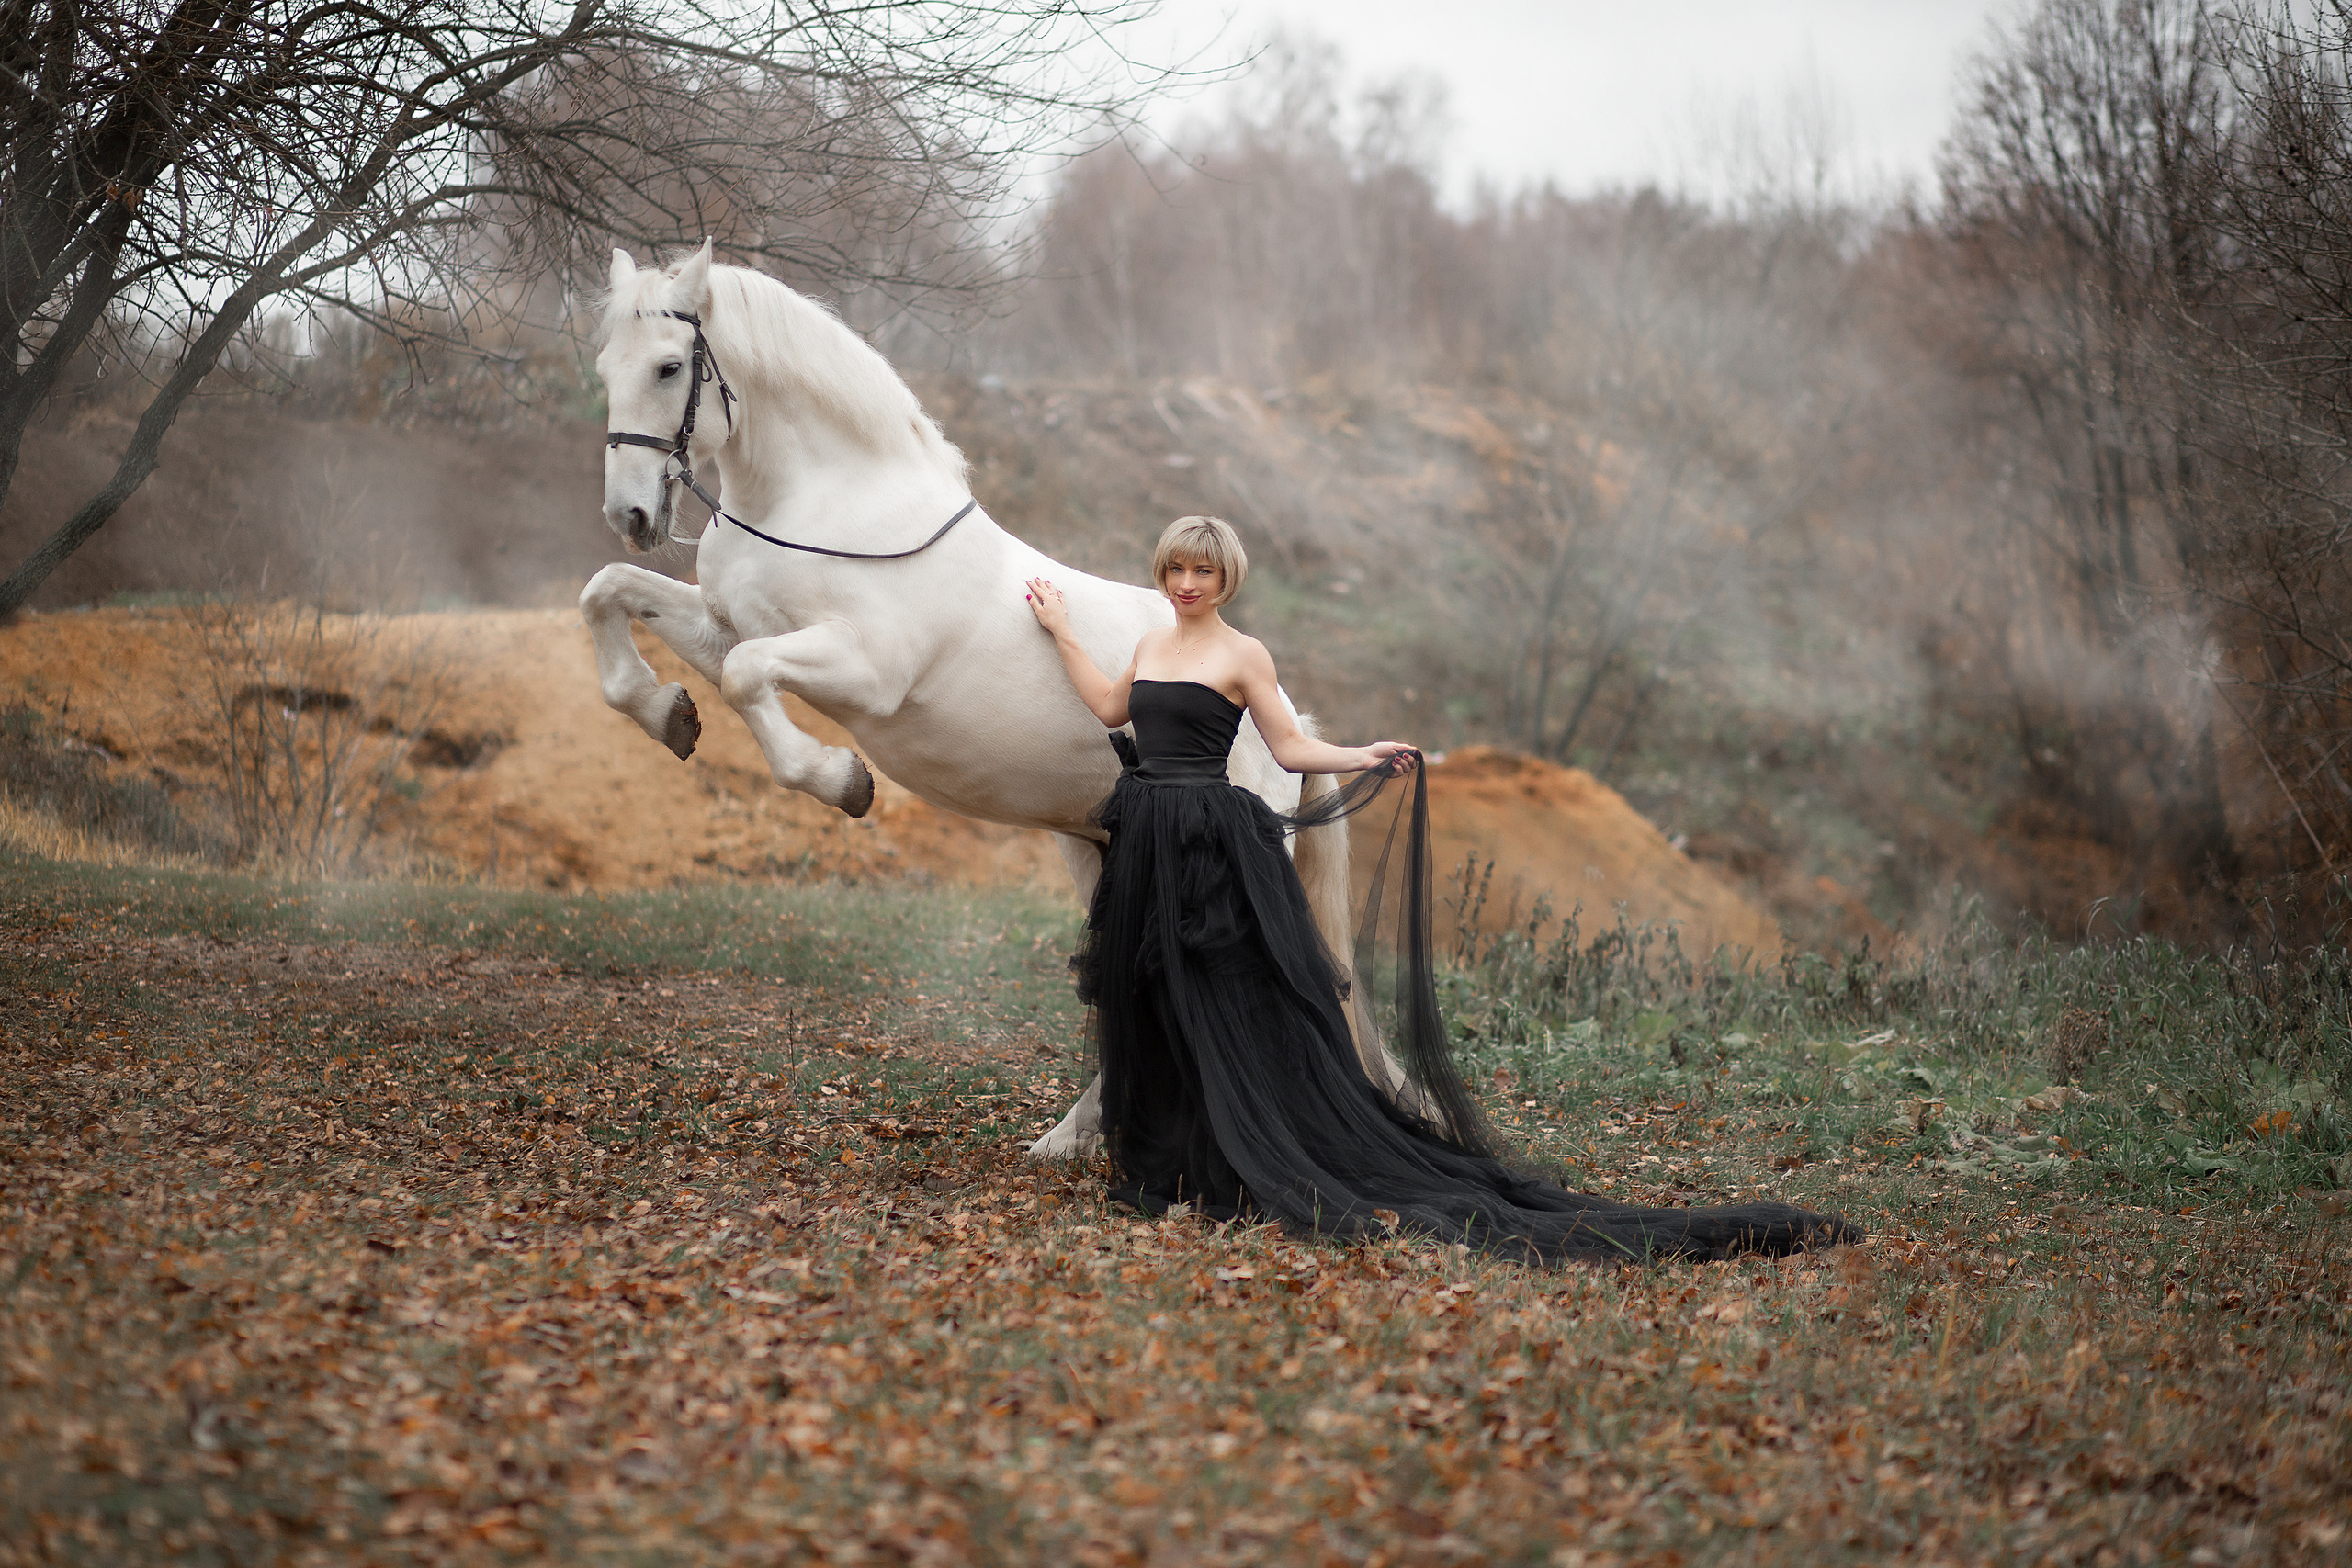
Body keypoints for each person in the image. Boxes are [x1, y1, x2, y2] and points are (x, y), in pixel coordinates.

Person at [1024, 516, 1852, 1264]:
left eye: (1202, 571)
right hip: (1147, 839)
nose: (1186, 583)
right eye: (1176, 569)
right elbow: (1108, 706)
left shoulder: (1244, 655)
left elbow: (1287, 748)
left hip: (1209, 842)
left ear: (1226, 578)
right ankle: (1168, 1159)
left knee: (1222, 998)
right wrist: (1062, 630)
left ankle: (1238, 1158)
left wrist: (1360, 755)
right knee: (1154, 996)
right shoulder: (1150, 645)